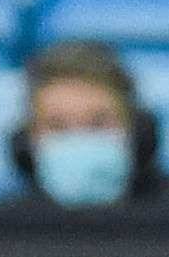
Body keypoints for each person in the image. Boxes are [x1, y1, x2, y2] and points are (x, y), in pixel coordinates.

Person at [12, 39, 165, 205]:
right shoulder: (2, 219)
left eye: (98, 123)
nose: (79, 139)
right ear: (30, 139)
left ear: (135, 130)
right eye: (58, 126)